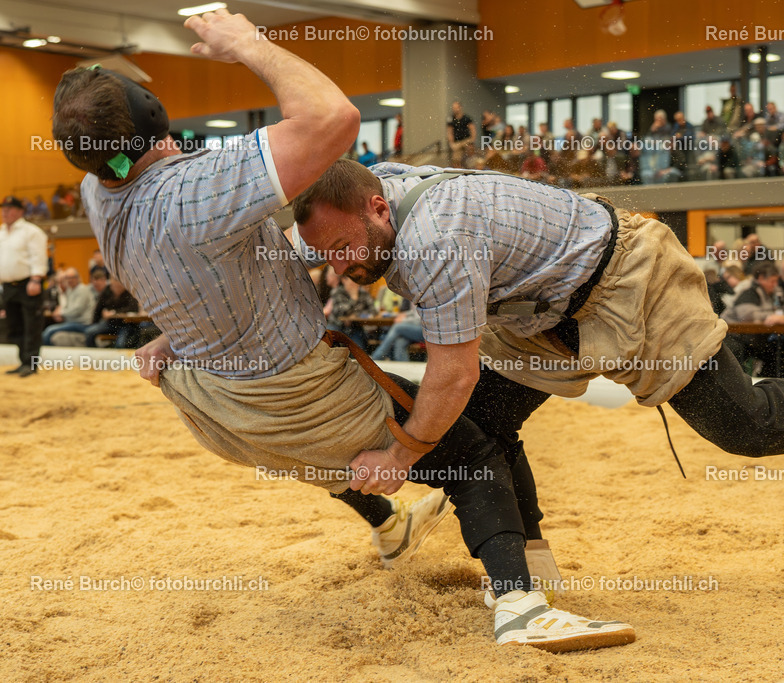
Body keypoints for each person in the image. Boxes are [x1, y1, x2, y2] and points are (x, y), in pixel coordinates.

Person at [52, 9, 627, 653]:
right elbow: (334, 118)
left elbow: (191, 264)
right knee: (474, 452)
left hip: (213, 404)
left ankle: (390, 528)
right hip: (299, 395)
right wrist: (247, 43)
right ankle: (521, 607)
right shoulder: (195, 189)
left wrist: (174, 330)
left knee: (320, 456)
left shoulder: (96, 194)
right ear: (155, 120)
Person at [291, 160, 784, 536]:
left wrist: (405, 450)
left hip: (628, 279)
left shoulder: (434, 238)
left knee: (743, 425)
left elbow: (451, 371)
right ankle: (526, 566)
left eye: (345, 249)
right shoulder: (365, 196)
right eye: (327, 257)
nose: (340, 267)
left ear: (380, 207)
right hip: (536, 310)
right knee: (488, 423)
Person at [1, 196, 48, 376]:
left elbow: (38, 256)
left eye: (10, 208)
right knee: (14, 326)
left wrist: (36, 279)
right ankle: (23, 362)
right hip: (8, 286)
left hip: (28, 284)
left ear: (20, 211)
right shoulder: (2, 232)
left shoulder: (31, 231)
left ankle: (31, 363)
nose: (5, 211)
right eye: (3, 208)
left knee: (31, 325)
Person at [446, 101, 475, 168]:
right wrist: (451, 143)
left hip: (466, 140)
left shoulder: (467, 118)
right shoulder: (451, 119)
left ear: (460, 108)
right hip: (457, 142)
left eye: (456, 107)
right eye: (453, 108)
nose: (454, 109)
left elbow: (472, 129)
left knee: (470, 156)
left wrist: (472, 140)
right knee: (456, 159)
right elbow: (450, 131)